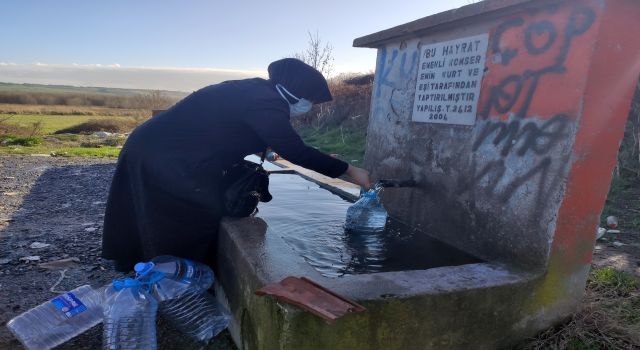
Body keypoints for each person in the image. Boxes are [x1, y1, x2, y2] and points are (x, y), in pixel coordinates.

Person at [101, 58, 371, 272]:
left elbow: (230, 126)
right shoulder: (267, 101)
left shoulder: (256, 90)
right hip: (168, 155)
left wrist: (279, 152)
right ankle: (180, 274)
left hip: (153, 144)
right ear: (295, 92)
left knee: (147, 204)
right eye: (309, 100)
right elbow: (294, 150)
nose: (308, 106)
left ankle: (137, 260)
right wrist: (350, 171)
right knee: (187, 208)